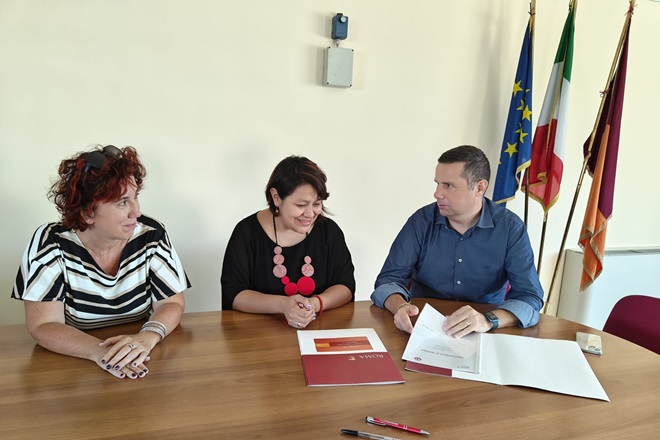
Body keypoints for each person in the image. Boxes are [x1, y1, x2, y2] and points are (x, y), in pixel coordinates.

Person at [11, 145, 190, 379]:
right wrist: (103, 353)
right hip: (74, 360)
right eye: (122, 202)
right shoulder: (50, 242)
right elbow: (43, 325)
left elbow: (171, 303)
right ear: (87, 213)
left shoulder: (151, 233)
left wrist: (148, 337)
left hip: (141, 351)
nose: (136, 212)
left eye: (135, 197)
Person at [371, 145, 543, 337]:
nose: (437, 193)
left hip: (484, 329)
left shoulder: (510, 228)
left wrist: (488, 320)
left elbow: (530, 297)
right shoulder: (421, 222)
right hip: (423, 326)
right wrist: (400, 306)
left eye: (448, 185)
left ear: (479, 188)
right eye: (437, 184)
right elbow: (388, 280)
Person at [221, 155, 355, 328]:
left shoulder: (329, 231)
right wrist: (283, 305)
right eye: (301, 205)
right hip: (258, 334)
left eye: (316, 204)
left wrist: (312, 305)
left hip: (317, 330)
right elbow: (233, 294)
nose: (310, 214)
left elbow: (345, 285)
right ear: (276, 197)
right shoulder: (246, 232)